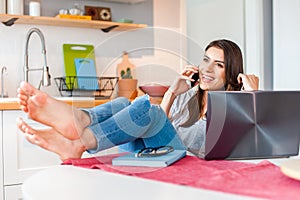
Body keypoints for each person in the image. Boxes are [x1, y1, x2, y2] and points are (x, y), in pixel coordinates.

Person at [17, 39, 259, 161]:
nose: (208, 69)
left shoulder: (236, 107)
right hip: (159, 151)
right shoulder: (188, 98)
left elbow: (254, 144)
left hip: (185, 160)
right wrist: (172, 92)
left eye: (219, 65)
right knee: (126, 104)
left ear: (232, 72)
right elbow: (160, 125)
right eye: (206, 60)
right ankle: (82, 120)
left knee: (146, 110)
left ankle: (79, 139)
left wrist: (253, 96)